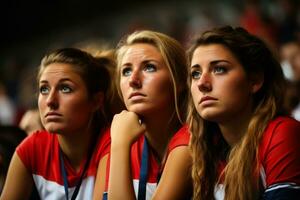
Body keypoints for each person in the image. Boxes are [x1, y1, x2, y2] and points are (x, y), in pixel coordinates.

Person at [187, 26, 300, 200]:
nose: (202, 83)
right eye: (195, 73)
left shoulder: (283, 133)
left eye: (219, 69)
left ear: (254, 80)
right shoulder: (203, 147)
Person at [0, 47, 113, 200]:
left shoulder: (112, 145)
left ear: (96, 101)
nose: (50, 101)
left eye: (65, 88)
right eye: (44, 89)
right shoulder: (32, 148)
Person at [100, 30, 193, 200]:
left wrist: (120, 146)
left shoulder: (191, 142)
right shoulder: (124, 140)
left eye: (149, 67)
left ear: (179, 81)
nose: (133, 80)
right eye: (126, 71)